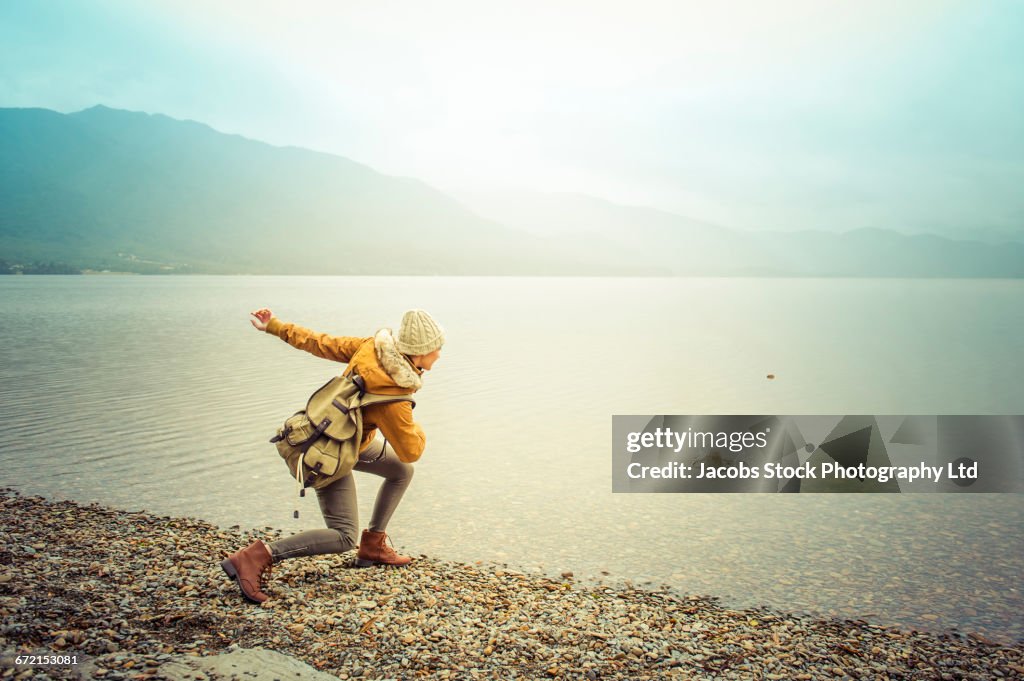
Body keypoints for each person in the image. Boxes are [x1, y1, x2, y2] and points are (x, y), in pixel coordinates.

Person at [221, 307, 445, 604]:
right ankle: (256, 556)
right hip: (326, 455)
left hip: (340, 438)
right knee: (343, 536)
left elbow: (321, 343)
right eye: (436, 349)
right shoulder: (395, 398)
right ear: (419, 353)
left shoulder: (371, 348)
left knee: (400, 472)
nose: (439, 355)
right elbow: (411, 450)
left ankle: (374, 546)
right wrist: (416, 426)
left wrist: (275, 326)